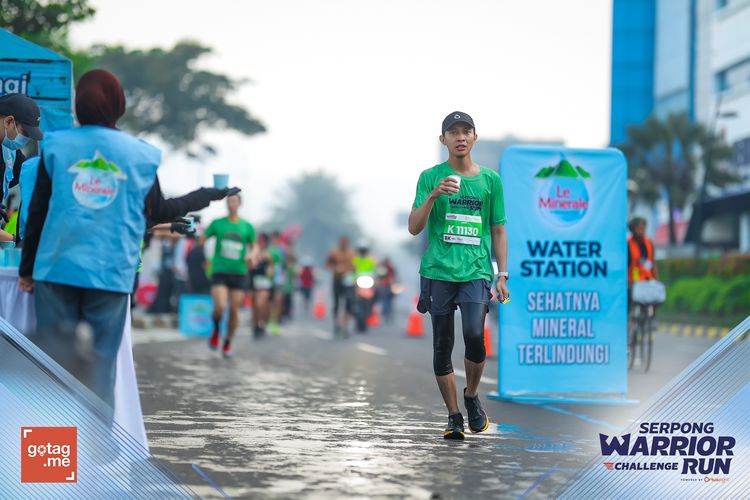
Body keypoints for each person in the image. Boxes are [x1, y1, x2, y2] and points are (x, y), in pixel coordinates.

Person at [19, 70, 238, 410]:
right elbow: (159, 210)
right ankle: (97, 437)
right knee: (102, 366)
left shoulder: (57, 146)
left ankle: (52, 438)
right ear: (118, 105)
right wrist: (207, 195)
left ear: (79, 105)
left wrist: (27, 269)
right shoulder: (140, 155)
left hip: (57, 268)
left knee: (52, 365)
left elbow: (38, 212)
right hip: (111, 273)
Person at [408, 111, 509, 440]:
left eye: (466, 131)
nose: (460, 137)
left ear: (475, 137)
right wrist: (434, 195)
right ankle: (453, 415)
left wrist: (502, 274)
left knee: (474, 336)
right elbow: (414, 227)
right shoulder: (430, 177)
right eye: (453, 132)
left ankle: (471, 396)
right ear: (443, 140)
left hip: (476, 270)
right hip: (438, 271)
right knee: (442, 345)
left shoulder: (491, 180)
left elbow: (498, 229)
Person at [201, 194, 256, 357]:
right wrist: (205, 256)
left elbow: (255, 246)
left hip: (239, 272)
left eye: (234, 201)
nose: (231, 204)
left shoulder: (247, 226)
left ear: (239, 204)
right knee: (219, 306)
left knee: (234, 311)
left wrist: (252, 254)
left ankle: (228, 342)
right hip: (220, 271)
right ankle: (216, 330)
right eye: (229, 201)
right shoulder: (217, 223)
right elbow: (202, 239)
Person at [0, 93, 44, 242]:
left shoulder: (10, 152)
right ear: (8, 122)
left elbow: (33, 173)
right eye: (25, 132)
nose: (26, 139)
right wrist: (15, 240)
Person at [628, 217, 658, 322]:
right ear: (633, 230)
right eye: (639, 229)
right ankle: (630, 320)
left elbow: (653, 262)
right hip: (633, 280)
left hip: (648, 278)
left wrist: (656, 279)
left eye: (643, 229)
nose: (641, 232)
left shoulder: (649, 242)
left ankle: (652, 318)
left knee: (657, 296)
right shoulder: (628, 244)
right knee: (629, 300)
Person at [326, 236, 355, 336]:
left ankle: (345, 325)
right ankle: (336, 324)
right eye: (342, 242)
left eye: (345, 242)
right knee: (336, 303)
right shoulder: (334, 253)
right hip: (337, 279)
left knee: (349, 302)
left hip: (348, 280)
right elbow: (328, 264)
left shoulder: (351, 254)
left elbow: (356, 266)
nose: (344, 244)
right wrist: (335, 269)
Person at [249, 233, 274, 338]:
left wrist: (269, 271)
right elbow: (248, 266)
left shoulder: (268, 254)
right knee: (255, 306)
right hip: (253, 282)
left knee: (261, 304)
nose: (261, 244)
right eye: (259, 242)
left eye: (263, 242)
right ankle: (256, 326)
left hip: (264, 283)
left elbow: (271, 268)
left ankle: (262, 323)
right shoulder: (252, 253)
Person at [377, 257, 397, 324]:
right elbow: (379, 276)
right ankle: (385, 312)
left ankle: (387, 313)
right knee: (385, 300)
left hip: (388, 286)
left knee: (388, 300)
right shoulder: (384, 268)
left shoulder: (390, 268)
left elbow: (394, 277)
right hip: (384, 286)